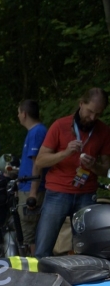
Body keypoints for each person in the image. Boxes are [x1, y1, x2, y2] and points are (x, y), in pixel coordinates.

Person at [31, 88, 110, 258]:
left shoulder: (103, 131)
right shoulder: (60, 125)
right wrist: (65, 153)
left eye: (98, 114)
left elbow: (105, 170)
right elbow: (40, 161)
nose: (93, 118)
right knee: (44, 247)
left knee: (89, 249)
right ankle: (39, 279)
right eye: (90, 111)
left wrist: (93, 165)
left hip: (86, 195)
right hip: (57, 193)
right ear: (81, 103)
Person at [15, 99, 48, 253]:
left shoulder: (37, 132)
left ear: (24, 114)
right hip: (26, 186)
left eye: (18, 112)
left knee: (31, 234)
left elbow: (38, 163)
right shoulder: (34, 132)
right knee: (30, 233)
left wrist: (33, 193)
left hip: (31, 190)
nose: (18, 116)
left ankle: (36, 269)